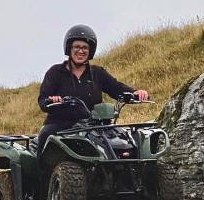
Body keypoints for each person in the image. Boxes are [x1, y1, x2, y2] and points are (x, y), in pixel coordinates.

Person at [36, 24, 149, 155]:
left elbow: (116, 88)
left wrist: (135, 93)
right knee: (45, 134)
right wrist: (52, 100)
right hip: (61, 124)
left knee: (124, 143)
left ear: (91, 51)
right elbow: (43, 100)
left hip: (93, 125)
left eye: (85, 47)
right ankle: (41, 175)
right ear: (69, 48)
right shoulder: (55, 72)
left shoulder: (97, 73)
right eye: (77, 47)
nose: (81, 51)